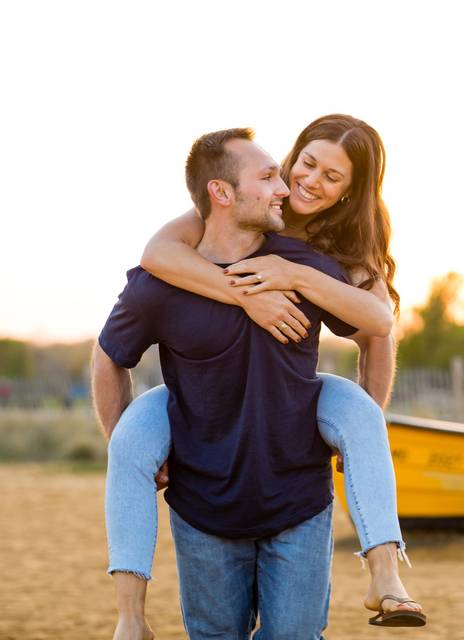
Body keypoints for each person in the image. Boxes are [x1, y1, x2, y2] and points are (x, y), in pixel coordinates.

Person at [138, 114, 423, 628]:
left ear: (349, 193)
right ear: (292, 157)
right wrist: (247, 297)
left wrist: (357, 429)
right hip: (210, 393)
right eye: (307, 163)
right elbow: (157, 253)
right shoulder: (247, 203)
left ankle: (384, 572)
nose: (311, 182)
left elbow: (378, 326)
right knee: (133, 439)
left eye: (332, 178)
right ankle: (128, 611)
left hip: (297, 396)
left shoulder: (345, 247)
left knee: (358, 413)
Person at [94, 128, 359, 638]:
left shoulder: (306, 268)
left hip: (299, 500)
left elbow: (376, 327)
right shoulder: (160, 284)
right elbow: (109, 357)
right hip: (202, 510)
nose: (285, 188)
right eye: (267, 177)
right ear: (221, 192)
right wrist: (128, 446)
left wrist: (361, 423)